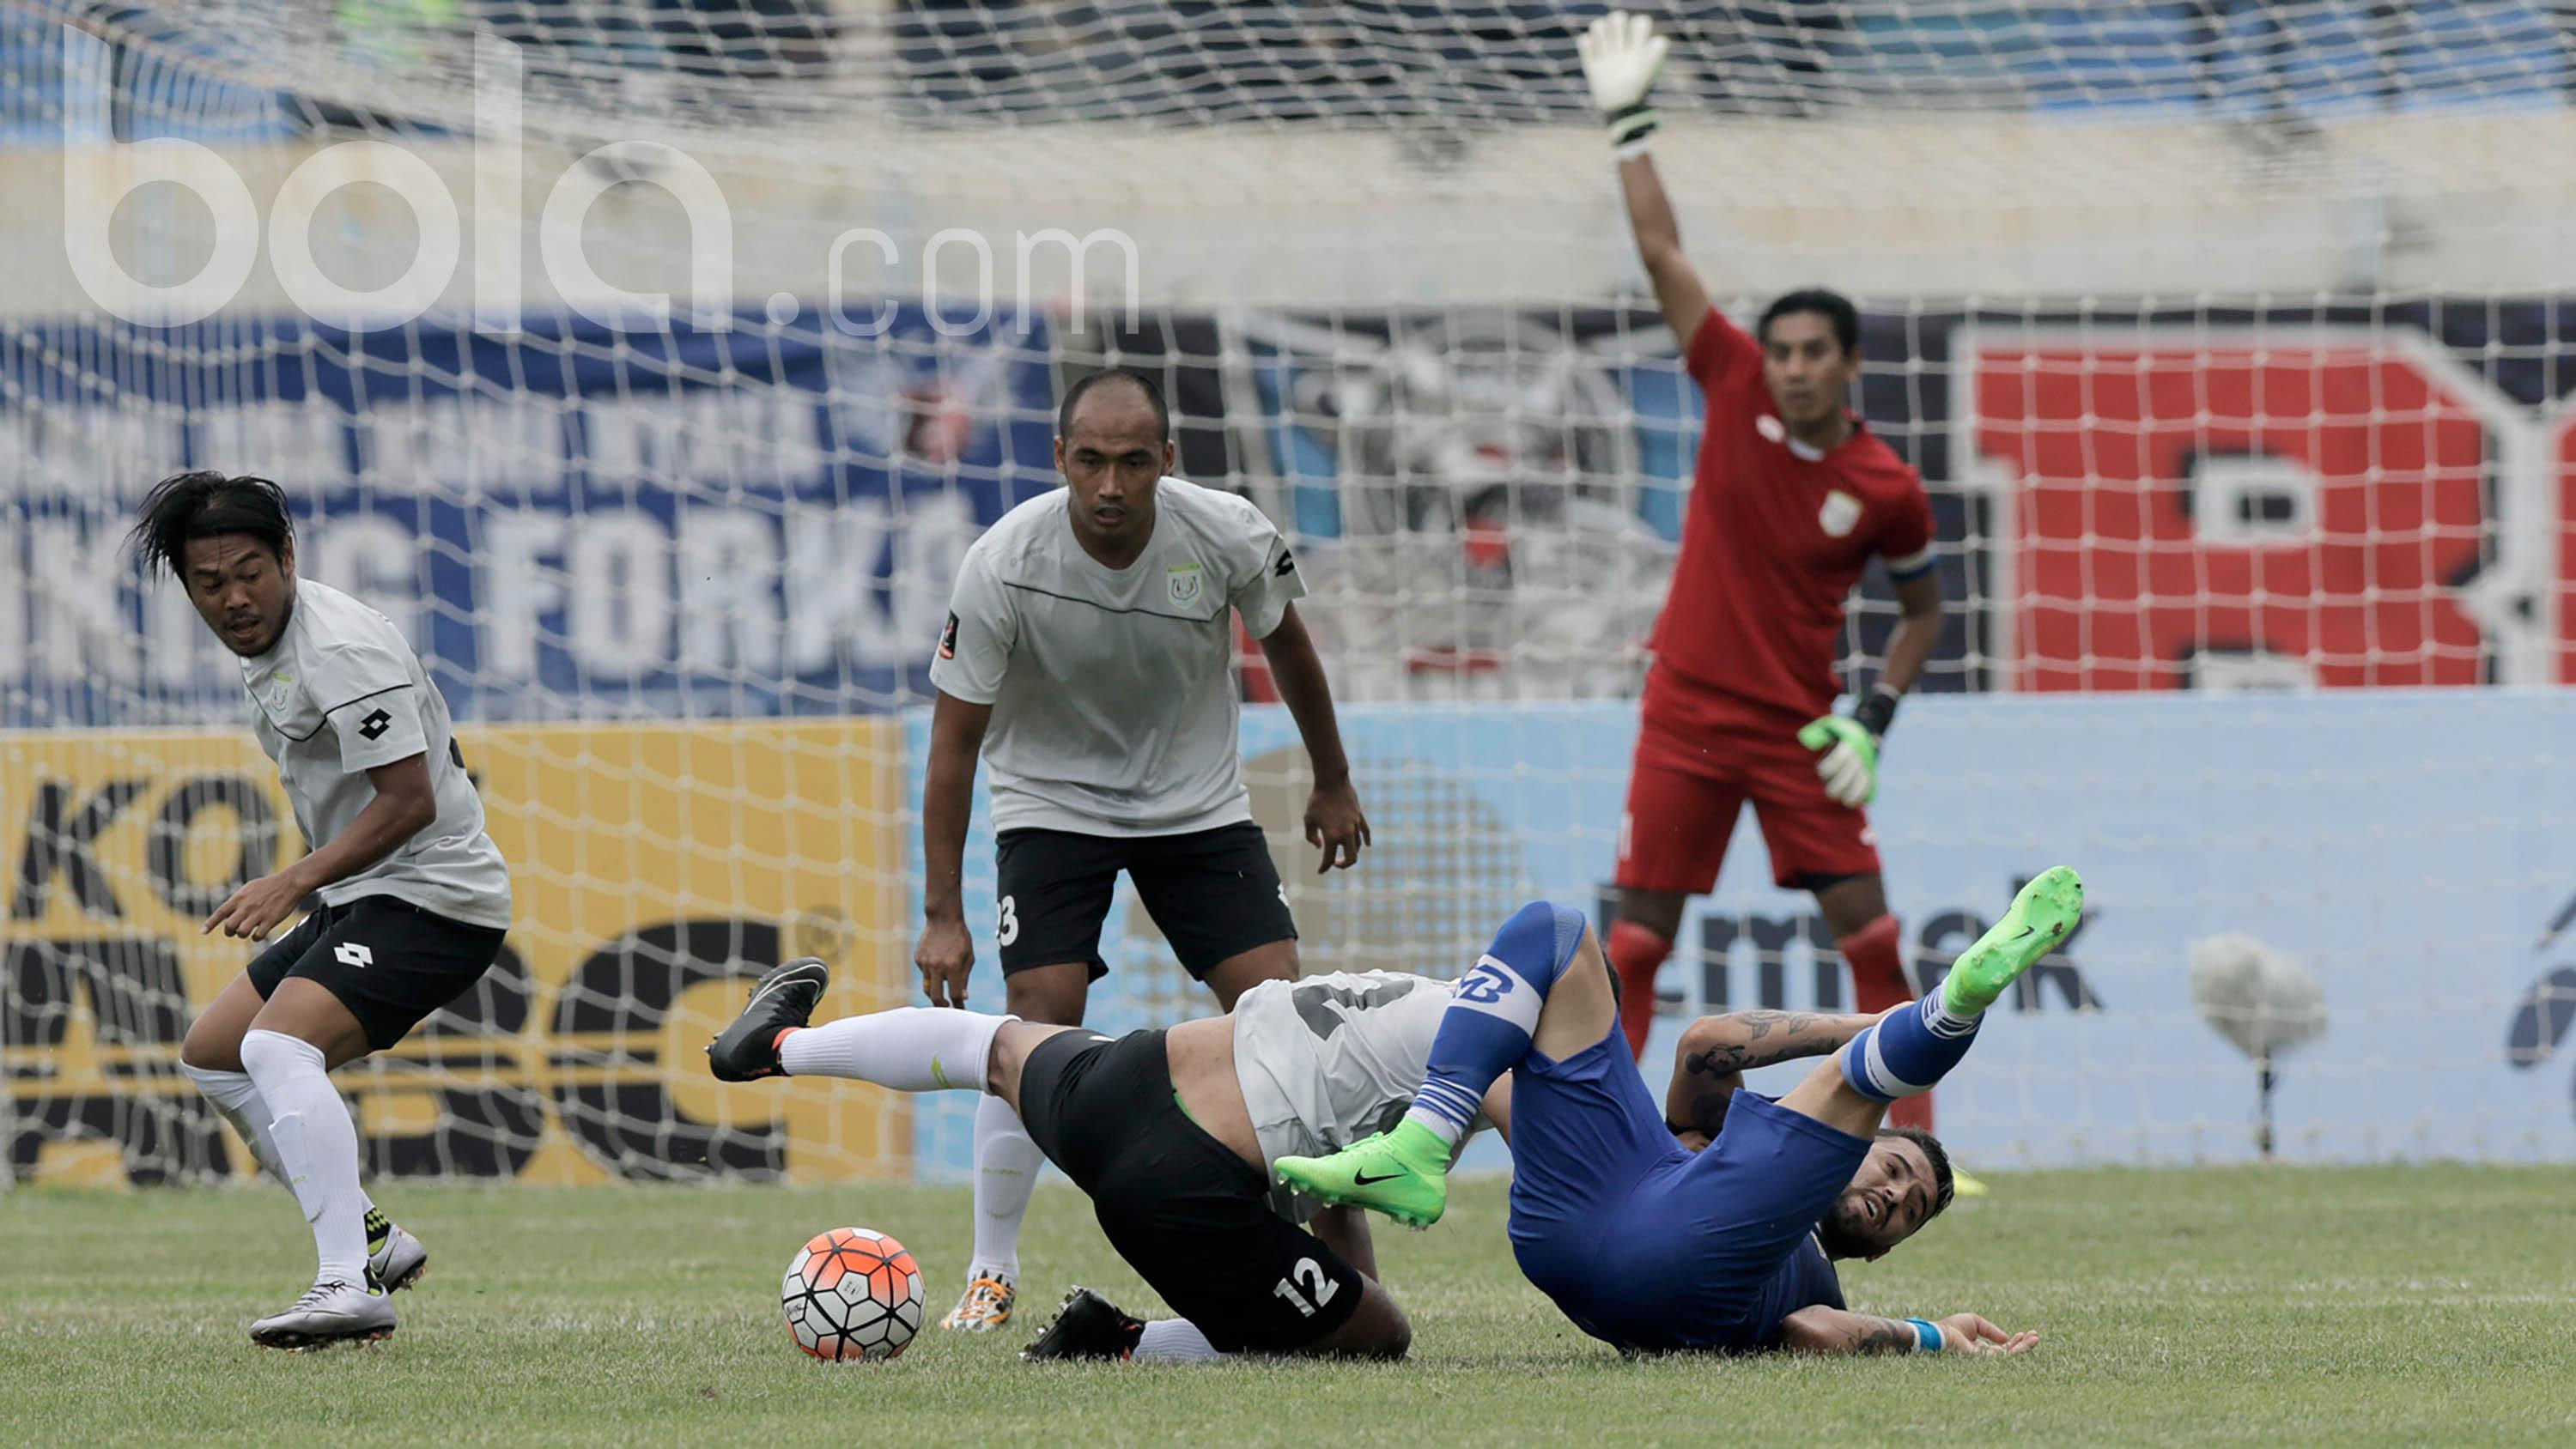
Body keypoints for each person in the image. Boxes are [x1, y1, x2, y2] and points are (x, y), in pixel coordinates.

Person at [913, 367, 1370, 1331]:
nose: (1110, 485)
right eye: (1090, 461)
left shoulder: (1227, 532)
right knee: (1040, 1015)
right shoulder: (1003, 562)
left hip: (1195, 807)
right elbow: (953, 745)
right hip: (1051, 804)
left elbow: (1290, 646)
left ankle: (1313, 1247)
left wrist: (1331, 778)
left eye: (1132, 462)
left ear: (1168, 458)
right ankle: (991, 1271)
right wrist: (942, 913)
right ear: (1059, 459)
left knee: (1279, 1011)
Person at [1579, 13, 1950, 1135]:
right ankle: (1614, 1147)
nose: (1789, 368)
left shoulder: (1886, 484)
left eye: (1811, 353)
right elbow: (1663, 255)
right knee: (1635, 939)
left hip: (1799, 728)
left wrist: (1872, 721)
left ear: (1850, 363)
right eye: (1779, 350)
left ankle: (1917, 1149)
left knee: (1873, 936)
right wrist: (1630, 126)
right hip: (1686, 710)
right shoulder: (1731, 381)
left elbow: (1925, 611)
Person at [1276, 869, 2081, 1356]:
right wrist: (1869, 1024)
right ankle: (1418, 1143)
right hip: (1587, 1204)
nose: (1893, 1197)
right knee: (1555, 935)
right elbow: (1705, 1046)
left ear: (1882, 1251)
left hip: (1667, 1265)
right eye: (1896, 1170)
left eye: (1908, 1213)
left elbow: (1814, 1333)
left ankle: (1953, 1007)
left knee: (1852, 1086)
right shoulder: (1709, 1136)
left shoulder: (1817, 1279)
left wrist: (1931, 1334)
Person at [137, 471, 513, 1349]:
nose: (234, 598)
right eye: (210, 583)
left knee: (276, 1047)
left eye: (250, 573)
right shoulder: (275, 643)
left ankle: (346, 1282)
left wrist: (291, 881)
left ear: (288, 557)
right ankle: (374, 1239)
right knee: (215, 1054)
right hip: (369, 893)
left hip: (436, 898)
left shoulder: (338, 647)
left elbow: (410, 800)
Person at [705, 958, 1504, 1361]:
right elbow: (1553, 1189)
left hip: (1130, 1075)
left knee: (996, 1050)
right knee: (1380, 1336)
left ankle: (780, 1046)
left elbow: (1339, 1168)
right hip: (1182, 1193)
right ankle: (1123, 1341)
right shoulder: (1501, 1053)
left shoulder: (1421, 994)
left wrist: (1344, 1277)